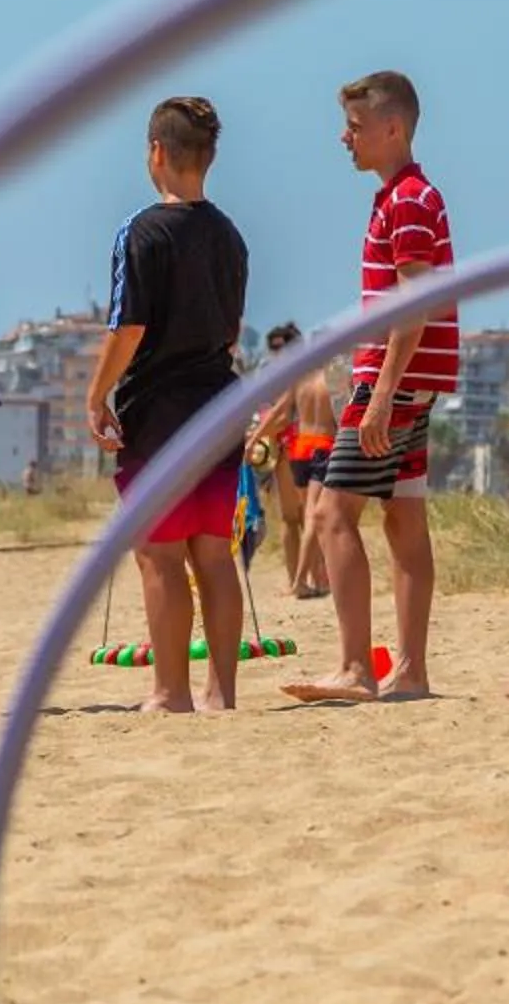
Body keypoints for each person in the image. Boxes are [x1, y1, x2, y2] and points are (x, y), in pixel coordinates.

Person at [286, 70, 452, 704]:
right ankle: (409, 670)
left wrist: (381, 391)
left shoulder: (407, 199)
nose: (344, 139)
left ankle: (356, 666)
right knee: (404, 520)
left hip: (395, 379)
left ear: (393, 128)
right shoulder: (403, 195)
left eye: (356, 127)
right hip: (413, 380)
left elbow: (417, 301)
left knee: (331, 513)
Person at [85, 97, 250, 713]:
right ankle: (221, 692)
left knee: (159, 553)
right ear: (207, 156)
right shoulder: (230, 234)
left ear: (157, 151)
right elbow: (232, 330)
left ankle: (170, 691)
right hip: (219, 403)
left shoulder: (142, 231)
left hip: (158, 412)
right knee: (212, 550)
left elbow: (127, 326)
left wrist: (96, 393)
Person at [247, 322, 333, 601]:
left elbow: (278, 414)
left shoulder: (299, 377)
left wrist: (254, 438)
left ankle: (310, 578)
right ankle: (301, 580)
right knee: (304, 518)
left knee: (298, 518)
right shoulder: (326, 377)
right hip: (309, 447)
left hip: (295, 447)